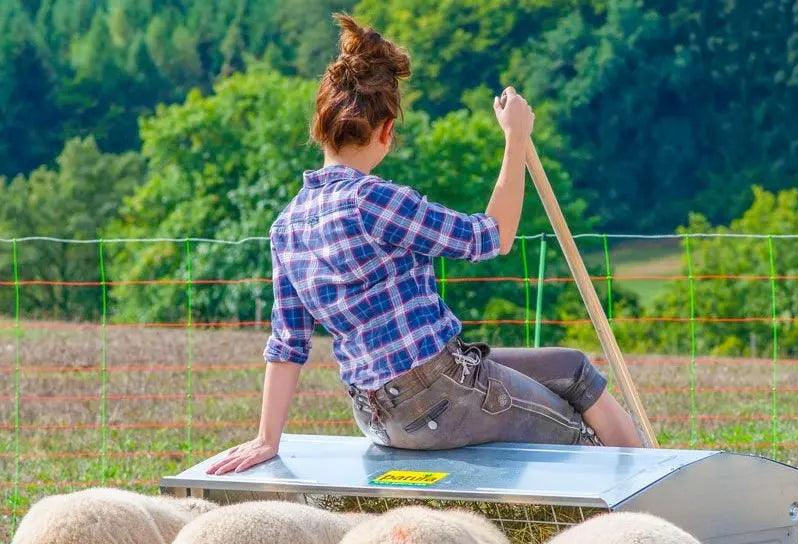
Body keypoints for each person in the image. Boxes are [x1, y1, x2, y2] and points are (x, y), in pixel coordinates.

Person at [209, 15, 641, 476]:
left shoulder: (287, 226)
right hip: (442, 394)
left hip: (377, 416)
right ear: (386, 130)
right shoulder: (373, 200)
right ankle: (642, 497)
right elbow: (492, 236)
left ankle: (647, 475)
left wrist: (267, 439)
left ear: (321, 129)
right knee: (579, 440)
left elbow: (288, 343)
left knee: (573, 368)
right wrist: (515, 138)